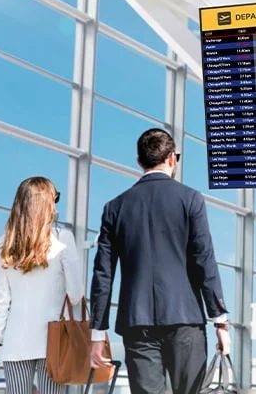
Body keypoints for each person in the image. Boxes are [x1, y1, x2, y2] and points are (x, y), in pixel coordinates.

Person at [89, 128, 231, 394]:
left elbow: (103, 275)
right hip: (184, 318)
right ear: (171, 159)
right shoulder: (190, 199)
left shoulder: (115, 207)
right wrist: (220, 321)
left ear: (139, 162)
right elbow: (205, 261)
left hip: (137, 321)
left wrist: (98, 333)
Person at [0, 177, 84, 394]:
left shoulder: (5, 243)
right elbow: (76, 294)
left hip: (15, 343)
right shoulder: (62, 239)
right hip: (54, 343)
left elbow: (1, 301)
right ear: (47, 203)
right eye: (55, 198)